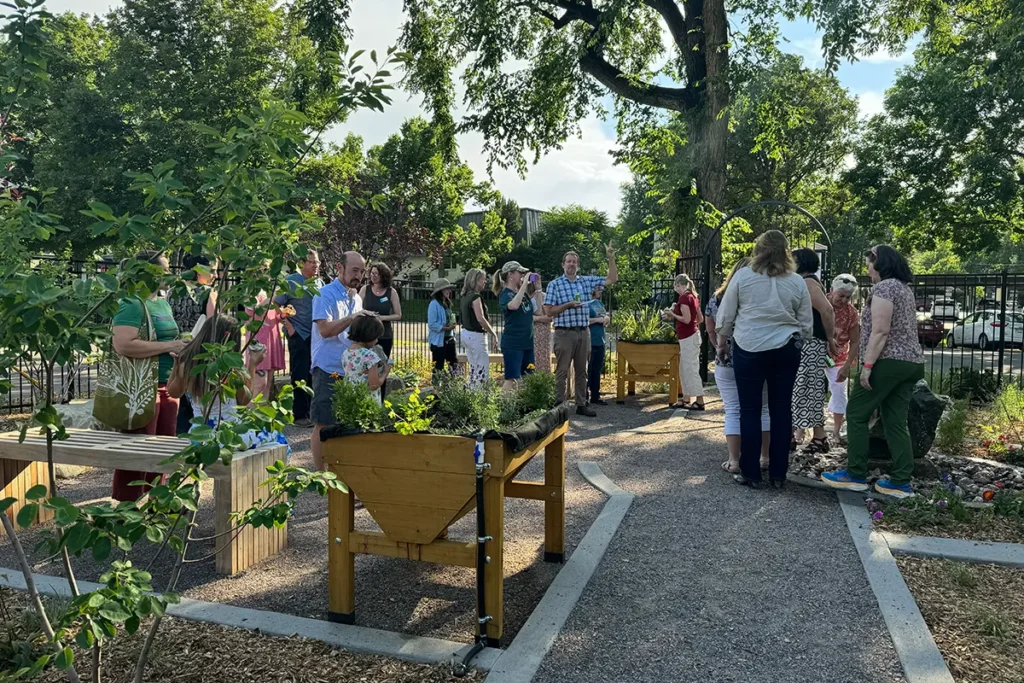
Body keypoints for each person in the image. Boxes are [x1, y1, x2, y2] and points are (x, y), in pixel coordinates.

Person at [821, 246, 924, 499]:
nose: (867, 268)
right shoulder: (904, 289)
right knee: (895, 422)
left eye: (869, 263)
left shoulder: (884, 288)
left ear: (880, 264)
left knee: (856, 413)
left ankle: (854, 474)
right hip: (910, 363)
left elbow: (880, 331)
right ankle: (901, 481)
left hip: (887, 362)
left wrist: (867, 367)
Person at [715, 230, 813, 489]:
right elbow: (805, 321)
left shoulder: (743, 276)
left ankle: (750, 473)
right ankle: (779, 473)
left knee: (750, 410)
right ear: (786, 252)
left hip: (750, 346)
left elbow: (726, 314)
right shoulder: (796, 281)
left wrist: (722, 342)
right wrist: (799, 341)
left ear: (759, 249)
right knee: (781, 409)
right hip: (785, 347)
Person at [110, 251, 187, 501]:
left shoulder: (162, 302)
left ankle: (157, 502)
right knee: (137, 452)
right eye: (163, 271)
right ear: (146, 273)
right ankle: (126, 507)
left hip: (168, 385)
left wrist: (181, 344)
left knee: (163, 451)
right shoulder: (131, 303)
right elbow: (123, 345)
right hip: (141, 388)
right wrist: (169, 347)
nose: (169, 275)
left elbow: (165, 338)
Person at [167, 315, 289, 453]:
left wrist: (176, 367)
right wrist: (252, 366)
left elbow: (173, 392)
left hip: (198, 435)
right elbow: (244, 400)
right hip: (228, 435)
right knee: (278, 439)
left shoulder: (189, 364)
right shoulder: (229, 369)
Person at [705, 258, 771, 474]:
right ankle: (764, 458)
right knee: (762, 409)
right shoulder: (760, 297)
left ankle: (734, 461)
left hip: (726, 361)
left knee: (733, 410)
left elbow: (710, 327)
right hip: (757, 357)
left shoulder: (717, 298)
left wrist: (719, 346)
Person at [310, 251, 370, 471]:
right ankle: (321, 476)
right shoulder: (324, 294)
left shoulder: (357, 298)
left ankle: (342, 472)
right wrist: (352, 317)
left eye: (362, 271)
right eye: (355, 270)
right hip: (328, 367)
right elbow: (325, 330)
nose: (359, 276)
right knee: (323, 422)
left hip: (351, 369)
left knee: (347, 423)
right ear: (339, 268)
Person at [544, 243, 618, 417]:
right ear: (563, 264)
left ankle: (581, 403)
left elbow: (612, 279)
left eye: (574, 262)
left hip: (583, 331)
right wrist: (568, 305)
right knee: (562, 370)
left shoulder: (585, 281)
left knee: (582, 370)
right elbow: (548, 311)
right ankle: (560, 404)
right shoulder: (555, 285)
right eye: (568, 261)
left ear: (578, 265)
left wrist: (611, 258)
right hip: (564, 332)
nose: (571, 264)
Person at [790, 248, 836, 454]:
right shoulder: (808, 281)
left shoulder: (808, 283)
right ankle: (815, 436)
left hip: (810, 343)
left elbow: (827, 310)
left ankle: (814, 436)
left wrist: (829, 337)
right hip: (809, 342)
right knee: (806, 387)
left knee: (803, 387)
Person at [168, 253, 219, 437]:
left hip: (177, 350)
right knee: (197, 402)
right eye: (212, 270)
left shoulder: (173, 291)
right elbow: (213, 325)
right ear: (199, 270)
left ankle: (180, 439)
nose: (216, 275)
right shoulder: (207, 293)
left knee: (180, 401)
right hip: (199, 353)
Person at [274, 249, 321, 428]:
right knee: (299, 373)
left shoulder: (319, 282)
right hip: (299, 334)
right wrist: (290, 327)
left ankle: (311, 412)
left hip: (316, 335)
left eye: (317, 262)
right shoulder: (291, 281)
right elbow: (277, 304)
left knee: (312, 373)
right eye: (312, 262)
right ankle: (300, 414)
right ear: (302, 263)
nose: (316, 265)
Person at [826, 274, 861, 445]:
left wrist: (847, 365)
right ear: (832, 291)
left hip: (839, 356)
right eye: (841, 295)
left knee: (840, 391)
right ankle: (800, 430)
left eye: (848, 297)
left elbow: (855, 342)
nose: (844, 300)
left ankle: (836, 431)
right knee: (808, 388)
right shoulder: (821, 303)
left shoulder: (851, 313)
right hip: (817, 353)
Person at [664, 273, 704, 410]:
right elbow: (700, 319)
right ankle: (686, 398)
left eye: (678, 286)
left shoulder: (685, 298)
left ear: (684, 285)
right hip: (691, 335)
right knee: (684, 368)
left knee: (691, 369)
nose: (677, 289)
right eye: (676, 287)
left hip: (688, 337)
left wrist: (672, 314)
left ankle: (699, 400)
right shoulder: (694, 297)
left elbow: (686, 319)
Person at [494, 261, 536, 392]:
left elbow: (539, 311)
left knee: (528, 378)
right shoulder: (505, 294)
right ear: (510, 274)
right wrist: (524, 285)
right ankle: (504, 407)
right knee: (511, 379)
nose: (523, 276)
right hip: (513, 343)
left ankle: (523, 406)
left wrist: (538, 289)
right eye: (520, 273)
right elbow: (513, 306)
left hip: (527, 342)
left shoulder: (523, 295)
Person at [460, 268, 499, 388]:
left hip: (466, 334)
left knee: (473, 368)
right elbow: (480, 318)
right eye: (483, 279)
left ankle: (471, 392)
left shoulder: (465, 296)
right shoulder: (476, 297)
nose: (485, 282)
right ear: (475, 280)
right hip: (476, 336)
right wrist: (494, 334)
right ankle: (480, 395)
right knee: (482, 369)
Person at [343, 315, 391, 405]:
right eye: (376, 337)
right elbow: (374, 385)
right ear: (369, 335)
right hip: (367, 402)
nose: (377, 341)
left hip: (350, 399)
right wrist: (385, 373)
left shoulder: (347, 352)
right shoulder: (371, 356)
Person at [359, 263, 402, 358]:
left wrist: (381, 318)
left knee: (382, 363)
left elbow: (398, 315)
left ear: (383, 275)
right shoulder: (365, 289)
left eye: (376, 274)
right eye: (372, 273)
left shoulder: (391, 292)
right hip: (367, 334)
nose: (373, 276)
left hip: (385, 335)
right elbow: (357, 310)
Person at [427, 278, 459, 384]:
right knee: (438, 366)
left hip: (450, 338)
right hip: (439, 341)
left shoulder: (447, 303)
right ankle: (436, 388)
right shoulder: (434, 304)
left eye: (449, 288)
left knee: (453, 363)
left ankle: (455, 385)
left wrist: (452, 325)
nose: (449, 291)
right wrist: (446, 328)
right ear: (440, 291)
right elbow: (432, 324)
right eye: (446, 289)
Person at [587, 283, 610, 406]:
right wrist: (597, 320)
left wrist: (606, 319)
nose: (600, 291)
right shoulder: (587, 304)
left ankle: (595, 395)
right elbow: (584, 320)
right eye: (598, 290)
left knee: (597, 370)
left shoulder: (599, 304)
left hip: (600, 340)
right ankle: (584, 395)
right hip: (590, 340)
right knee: (588, 369)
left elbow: (605, 317)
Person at [532, 283, 553, 373]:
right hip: (527, 333)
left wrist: (535, 318)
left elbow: (550, 317)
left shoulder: (544, 296)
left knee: (542, 358)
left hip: (542, 332)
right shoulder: (522, 296)